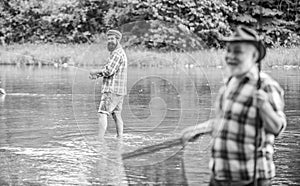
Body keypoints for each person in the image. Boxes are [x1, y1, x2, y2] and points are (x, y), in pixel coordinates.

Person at [181, 26, 286, 186]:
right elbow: (224, 122)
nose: (230, 56)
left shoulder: (266, 85)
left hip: (251, 178)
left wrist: (264, 106)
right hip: (220, 174)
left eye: (237, 51)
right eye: (228, 51)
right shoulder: (230, 82)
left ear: (254, 56)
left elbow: (277, 128)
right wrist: (199, 129)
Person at [89, 29, 127, 139]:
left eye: (112, 39)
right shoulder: (120, 52)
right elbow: (109, 70)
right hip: (119, 90)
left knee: (102, 113)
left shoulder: (116, 54)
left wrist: (95, 72)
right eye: (108, 39)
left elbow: (109, 70)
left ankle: (100, 140)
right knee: (116, 114)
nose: (109, 41)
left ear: (118, 40)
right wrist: (99, 74)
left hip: (112, 90)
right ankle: (120, 138)